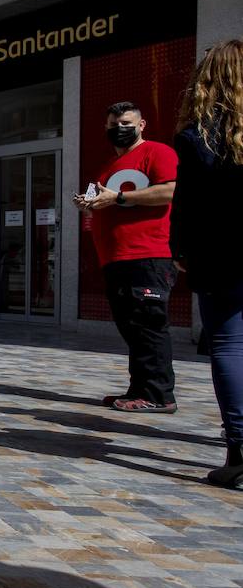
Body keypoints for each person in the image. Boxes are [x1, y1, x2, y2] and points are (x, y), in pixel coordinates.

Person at [75, 101, 179, 413]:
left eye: (127, 123)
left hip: (148, 255)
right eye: (114, 124)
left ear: (142, 124)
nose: (120, 129)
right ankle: (140, 388)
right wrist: (88, 203)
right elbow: (99, 201)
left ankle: (159, 394)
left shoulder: (158, 153)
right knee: (131, 326)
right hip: (116, 259)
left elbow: (171, 190)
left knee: (149, 324)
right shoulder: (108, 167)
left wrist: (119, 197)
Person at [172, 38, 243, 487]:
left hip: (221, 254)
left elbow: (187, 204)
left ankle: (239, 446)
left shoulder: (196, 136)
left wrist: (180, 250)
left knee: (230, 345)